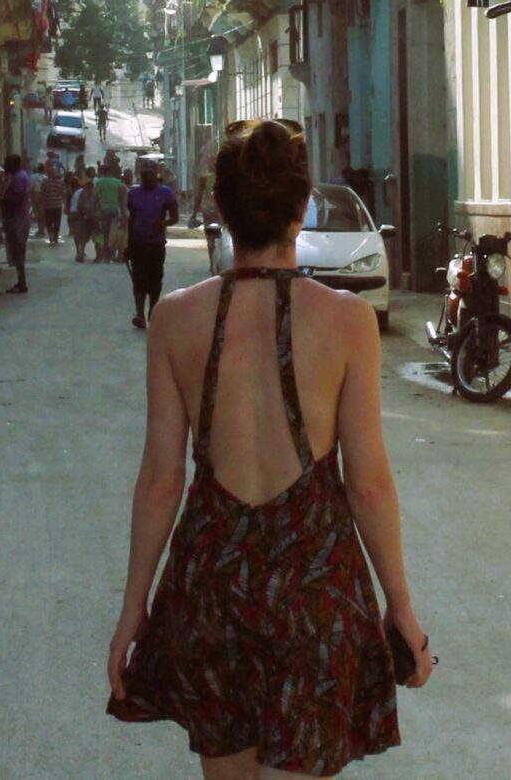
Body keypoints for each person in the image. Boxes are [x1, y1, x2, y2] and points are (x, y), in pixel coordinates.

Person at [107, 119, 429, 777]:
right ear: (302, 207)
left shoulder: (174, 318)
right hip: (314, 588)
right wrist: (400, 606)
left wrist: (133, 608)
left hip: (211, 589)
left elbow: (162, 478)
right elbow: (367, 482)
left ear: (219, 208)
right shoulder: (348, 321)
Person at [124, 158, 179, 330]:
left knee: (155, 279)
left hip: (156, 244)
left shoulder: (165, 193)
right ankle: (139, 313)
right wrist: (128, 245)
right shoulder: (133, 194)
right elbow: (131, 220)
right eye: (144, 175)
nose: (146, 178)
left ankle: (152, 311)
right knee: (138, 279)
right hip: (138, 243)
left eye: (149, 175)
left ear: (156, 175)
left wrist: (162, 224)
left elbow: (174, 217)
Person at [0, 152, 37, 294]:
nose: (5, 166)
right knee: (16, 251)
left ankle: (22, 283)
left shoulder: (19, 177)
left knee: (18, 250)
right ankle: (20, 282)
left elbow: (18, 198)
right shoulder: (18, 176)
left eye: (7, 163)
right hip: (15, 218)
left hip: (17, 219)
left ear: (14, 164)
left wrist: (1, 199)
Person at [92, 154, 128, 265]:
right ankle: (111, 253)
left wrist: (95, 211)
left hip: (104, 210)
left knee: (104, 232)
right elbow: (122, 198)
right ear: (111, 173)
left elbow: (96, 198)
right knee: (113, 233)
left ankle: (105, 255)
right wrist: (123, 212)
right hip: (114, 210)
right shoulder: (118, 183)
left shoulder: (99, 182)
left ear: (103, 172)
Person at [38, 160, 70, 246]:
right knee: (57, 221)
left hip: (48, 205)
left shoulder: (45, 182)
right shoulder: (60, 182)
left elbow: (42, 193)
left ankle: (51, 233)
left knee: (48, 221)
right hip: (57, 205)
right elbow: (64, 194)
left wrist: (41, 204)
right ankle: (55, 236)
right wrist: (65, 205)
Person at [69, 169, 97, 263]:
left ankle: (79, 251)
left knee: (79, 234)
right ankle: (81, 252)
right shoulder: (83, 193)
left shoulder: (81, 192)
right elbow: (80, 205)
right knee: (83, 234)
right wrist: (85, 214)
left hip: (76, 214)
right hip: (79, 215)